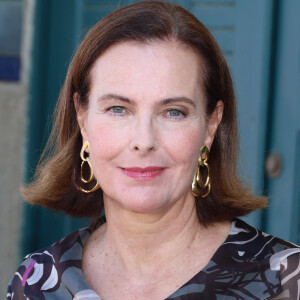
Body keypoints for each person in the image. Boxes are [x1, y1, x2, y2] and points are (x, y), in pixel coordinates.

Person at [7, 1, 300, 299]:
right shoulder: (36, 283)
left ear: (211, 126)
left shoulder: (285, 280)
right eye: (118, 109)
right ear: (82, 119)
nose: (144, 140)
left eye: (173, 112)